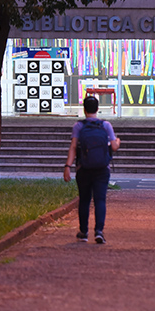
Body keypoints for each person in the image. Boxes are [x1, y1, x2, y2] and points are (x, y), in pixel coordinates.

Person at [63, 96, 121, 244]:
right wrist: (118, 141)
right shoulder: (106, 125)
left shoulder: (79, 126)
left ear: (84, 109)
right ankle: (99, 231)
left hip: (84, 168)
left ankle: (83, 232)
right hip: (102, 169)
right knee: (100, 199)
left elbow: (74, 148)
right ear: (97, 108)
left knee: (84, 200)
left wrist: (67, 167)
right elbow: (114, 147)